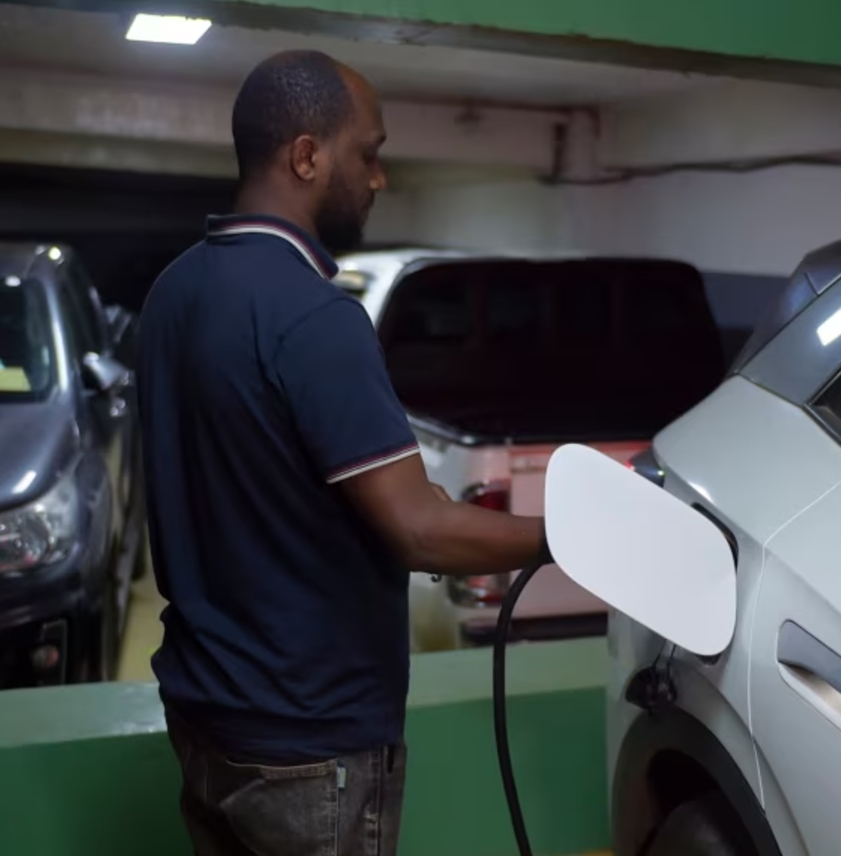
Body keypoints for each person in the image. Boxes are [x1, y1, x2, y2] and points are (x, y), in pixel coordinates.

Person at [134, 50, 552, 856]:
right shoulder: (314, 317)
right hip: (308, 745)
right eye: (370, 151)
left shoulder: (174, 291)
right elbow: (418, 528)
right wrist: (567, 535)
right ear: (306, 155)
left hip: (204, 718)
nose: (378, 177)